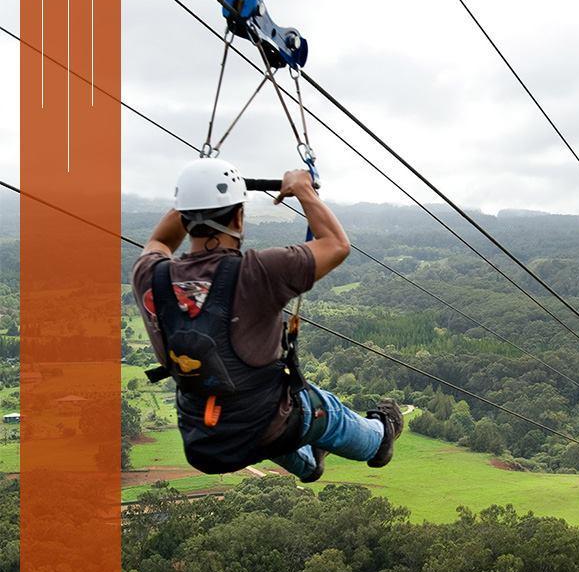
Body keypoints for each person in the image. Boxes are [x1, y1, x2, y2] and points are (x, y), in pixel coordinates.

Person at [132, 157, 403, 483]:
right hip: (267, 424)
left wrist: (192, 197)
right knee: (324, 410)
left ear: (185, 216)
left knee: (255, 412)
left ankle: (309, 464)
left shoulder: (150, 276)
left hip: (204, 439)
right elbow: (336, 245)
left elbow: (160, 242)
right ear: (239, 216)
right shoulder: (257, 271)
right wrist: (304, 189)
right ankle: (380, 439)